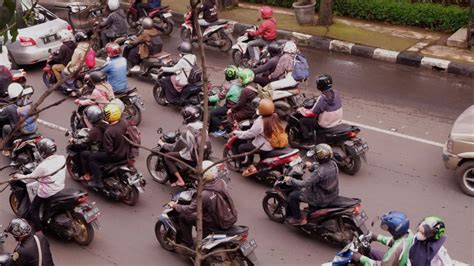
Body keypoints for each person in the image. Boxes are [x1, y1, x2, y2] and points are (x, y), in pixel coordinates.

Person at [168, 160, 236, 248]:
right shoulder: (221, 183)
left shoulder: (205, 195)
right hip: (226, 215)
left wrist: (175, 205)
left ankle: (188, 244)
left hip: (213, 221)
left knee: (183, 217)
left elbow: (189, 209)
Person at [14, 138, 66, 232]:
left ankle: (40, 230)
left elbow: (30, 178)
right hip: (60, 187)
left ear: (43, 151)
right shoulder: (62, 158)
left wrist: (18, 176)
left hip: (47, 192)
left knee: (33, 209)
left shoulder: (43, 166)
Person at [283, 144, 339, 225]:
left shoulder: (319, 172)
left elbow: (304, 184)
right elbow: (322, 167)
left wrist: (290, 180)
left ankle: (297, 219)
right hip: (332, 194)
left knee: (293, 196)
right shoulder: (333, 164)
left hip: (320, 198)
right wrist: (312, 166)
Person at [233, 99, 284, 176]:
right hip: (273, 143)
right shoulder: (274, 116)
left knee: (242, 147)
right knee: (251, 145)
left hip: (263, 146)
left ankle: (247, 164)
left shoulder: (260, 121)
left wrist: (237, 133)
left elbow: (250, 134)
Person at [160, 106, 204, 187]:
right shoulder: (203, 126)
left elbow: (174, 148)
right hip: (204, 152)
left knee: (167, 156)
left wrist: (163, 144)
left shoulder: (187, 132)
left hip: (193, 156)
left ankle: (180, 180)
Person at [89, 104, 129, 188]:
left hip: (115, 156)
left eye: (106, 114)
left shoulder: (109, 131)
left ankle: (98, 181)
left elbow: (109, 150)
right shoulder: (123, 122)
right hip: (125, 152)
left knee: (92, 158)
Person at [69, 106, 108, 182]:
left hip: (100, 149)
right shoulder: (105, 124)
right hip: (105, 146)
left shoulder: (94, 131)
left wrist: (74, 140)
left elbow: (84, 141)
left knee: (84, 154)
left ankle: (87, 174)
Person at [299, 74, 343, 142]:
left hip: (326, 124)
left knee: (303, 121)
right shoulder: (336, 93)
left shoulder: (323, 98)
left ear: (320, 86)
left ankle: (306, 140)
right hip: (337, 121)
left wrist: (301, 110)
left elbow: (312, 113)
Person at [1, 83, 37, 152]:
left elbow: (1, 117)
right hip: (33, 129)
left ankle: (6, 150)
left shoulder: (10, 108)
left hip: (19, 132)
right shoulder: (28, 102)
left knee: (5, 128)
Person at [209, 65, 241, 137]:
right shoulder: (240, 82)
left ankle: (223, 128)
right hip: (237, 105)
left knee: (212, 114)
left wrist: (208, 98)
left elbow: (219, 97)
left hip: (229, 106)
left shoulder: (230, 87)